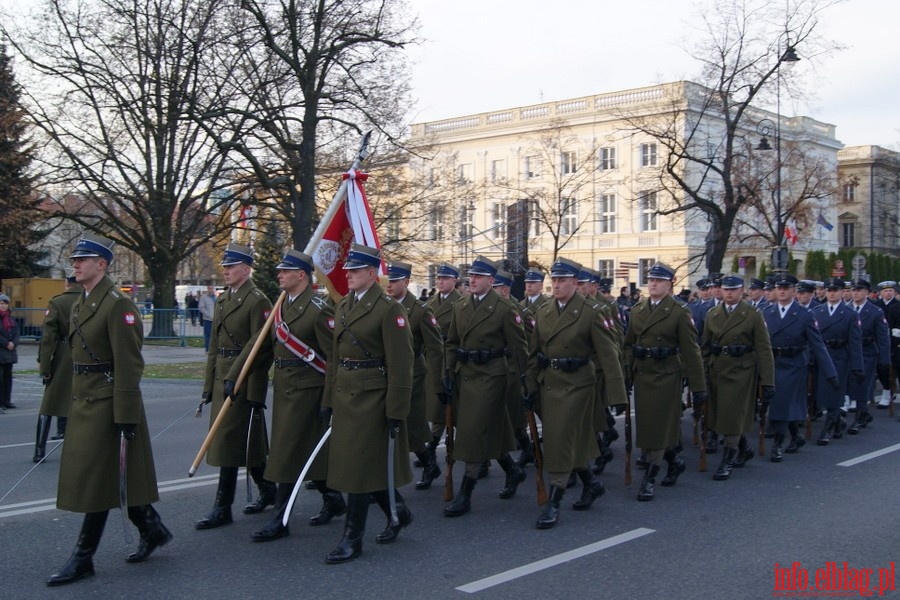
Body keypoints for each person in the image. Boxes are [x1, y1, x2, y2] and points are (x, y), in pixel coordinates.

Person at [47, 234, 171, 587]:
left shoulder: (118, 305)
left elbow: (129, 365)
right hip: (84, 398)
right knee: (112, 477)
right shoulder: (80, 303)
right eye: (75, 259)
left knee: (97, 480)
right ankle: (153, 528)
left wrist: (126, 415)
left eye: (82, 259)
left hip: (107, 402)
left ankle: (82, 558)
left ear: (101, 265)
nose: (76, 264)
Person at [232, 249, 344, 541]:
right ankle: (333, 498)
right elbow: (260, 346)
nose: (278, 274)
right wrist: (235, 376)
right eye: (279, 270)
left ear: (301, 276)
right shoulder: (281, 307)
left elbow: (334, 359)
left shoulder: (319, 309)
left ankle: (279, 519)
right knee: (306, 452)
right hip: (284, 389)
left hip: (309, 392)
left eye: (285, 271)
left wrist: (329, 400)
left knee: (285, 454)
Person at [322, 244, 414, 564]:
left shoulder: (389, 310)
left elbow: (402, 364)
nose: (347, 275)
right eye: (348, 270)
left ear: (372, 274)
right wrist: (327, 399)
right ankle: (398, 510)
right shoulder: (343, 305)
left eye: (355, 270)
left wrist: (396, 410)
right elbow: (334, 358)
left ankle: (352, 538)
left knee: (359, 467)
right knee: (359, 463)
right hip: (345, 393)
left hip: (373, 397)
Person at [525, 257, 626, 528]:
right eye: (554, 280)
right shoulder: (544, 311)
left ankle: (554, 501)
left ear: (574, 283)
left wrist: (617, 395)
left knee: (560, 440)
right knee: (569, 440)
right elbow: (534, 353)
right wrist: (530, 386)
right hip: (550, 384)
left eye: (562, 281)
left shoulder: (592, 312)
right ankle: (591, 483)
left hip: (578, 385)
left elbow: (609, 354)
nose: (556, 285)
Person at [196, 242, 275, 530]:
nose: (226, 271)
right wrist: (208, 387)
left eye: (231, 266)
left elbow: (261, 348)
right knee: (244, 442)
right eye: (225, 267)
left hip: (243, 379)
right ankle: (268, 489)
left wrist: (253, 392)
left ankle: (222, 507)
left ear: (246, 268)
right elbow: (215, 348)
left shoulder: (257, 301)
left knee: (229, 441)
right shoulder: (223, 300)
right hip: (223, 379)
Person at [443, 256, 528, 518]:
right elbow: (451, 342)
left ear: (491, 281)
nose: (473, 280)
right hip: (465, 374)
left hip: (492, 375)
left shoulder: (504, 308)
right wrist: (447, 371)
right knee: (492, 429)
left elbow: (518, 348)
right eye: (471, 276)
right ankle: (513, 470)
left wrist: (524, 381)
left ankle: (465, 494)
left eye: (479, 277)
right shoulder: (461, 306)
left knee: (472, 431)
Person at [624, 263, 706, 501]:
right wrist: (627, 375)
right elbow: (628, 345)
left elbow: (692, 351)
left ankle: (650, 476)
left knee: (659, 426)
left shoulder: (680, 312)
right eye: (650, 280)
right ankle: (674, 461)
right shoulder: (638, 309)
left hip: (667, 375)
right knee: (649, 425)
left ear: (670, 284)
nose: (653, 284)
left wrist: (698, 386)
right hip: (643, 375)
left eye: (659, 281)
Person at [700, 275, 775, 480]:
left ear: (742, 291)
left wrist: (768, 380)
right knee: (720, 415)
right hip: (718, 369)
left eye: (733, 290)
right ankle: (744, 448)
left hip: (741, 372)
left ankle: (728, 457)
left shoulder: (752, 314)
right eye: (725, 290)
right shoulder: (712, 314)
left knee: (733, 414)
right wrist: (702, 374)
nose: (729, 293)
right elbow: (705, 347)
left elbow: (764, 349)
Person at [761, 274, 837, 461]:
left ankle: (778, 443)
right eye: (779, 288)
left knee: (783, 403)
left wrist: (830, 372)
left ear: (794, 291)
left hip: (794, 364)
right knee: (778, 402)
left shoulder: (805, 315)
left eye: (786, 288)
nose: (781, 291)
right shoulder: (766, 313)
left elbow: (817, 345)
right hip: (773, 364)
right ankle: (796, 435)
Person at [385, 261, 444, 490]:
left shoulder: (420, 310)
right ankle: (429, 464)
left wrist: (438, 380)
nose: (389, 285)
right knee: (395, 423)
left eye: (394, 280)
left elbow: (436, 347)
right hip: (389, 371)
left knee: (412, 424)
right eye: (388, 280)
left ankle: (426, 464)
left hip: (414, 374)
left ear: (406, 282)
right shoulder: (385, 306)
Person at [34, 275, 82, 461]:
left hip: (62, 357)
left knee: (49, 404)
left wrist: (45, 367)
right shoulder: (90, 300)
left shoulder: (58, 302)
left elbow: (47, 339)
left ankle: (39, 450)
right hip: (86, 355)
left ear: (67, 284)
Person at [810, 277, 863, 445]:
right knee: (820, 394)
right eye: (829, 290)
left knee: (834, 393)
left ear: (841, 292)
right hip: (821, 357)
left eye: (835, 291)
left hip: (840, 357)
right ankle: (838, 422)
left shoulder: (850, 314)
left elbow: (855, 342)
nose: (831, 294)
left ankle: (828, 428)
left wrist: (857, 366)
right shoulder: (816, 312)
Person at [424, 263, 462, 466]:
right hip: (435, 361)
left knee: (458, 411)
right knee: (439, 409)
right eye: (438, 278)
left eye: (445, 279)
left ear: (454, 281)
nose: (440, 282)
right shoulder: (430, 303)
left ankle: (480, 457)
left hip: (452, 360)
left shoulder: (461, 303)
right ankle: (430, 452)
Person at [846, 279, 891, 433]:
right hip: (849, 352)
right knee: (849, 384)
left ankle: (859, 416)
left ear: (867, 292)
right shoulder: (846, 309)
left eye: (859, 290)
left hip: (867, 352)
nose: (856, 293)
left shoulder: (875, 312)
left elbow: (883, 338)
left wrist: (885, 359)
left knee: (862, 385)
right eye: (854, 290)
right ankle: (863, 413)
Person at [0, 293, 19, 410]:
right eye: (1, 303)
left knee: (8, 378)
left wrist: (14, 342)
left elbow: (17, 333)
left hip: (10, 353)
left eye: (5, 303)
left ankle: (7, 400)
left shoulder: (11, 318)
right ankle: (1, 401)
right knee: (0, 379)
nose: (3, 306)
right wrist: (6, 343)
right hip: (1, 351)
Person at [198, 285, 216, 352]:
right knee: (208, 335)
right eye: (210, 288)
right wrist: (208, 315)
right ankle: (207, 349)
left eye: (212, 288)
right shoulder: (204, 298)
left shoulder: (215, 297)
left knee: (215, 336)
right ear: (207, 289)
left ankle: (214, 349)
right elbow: (201, 307)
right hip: (208, 320)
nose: (211, 290)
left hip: (215, 319)